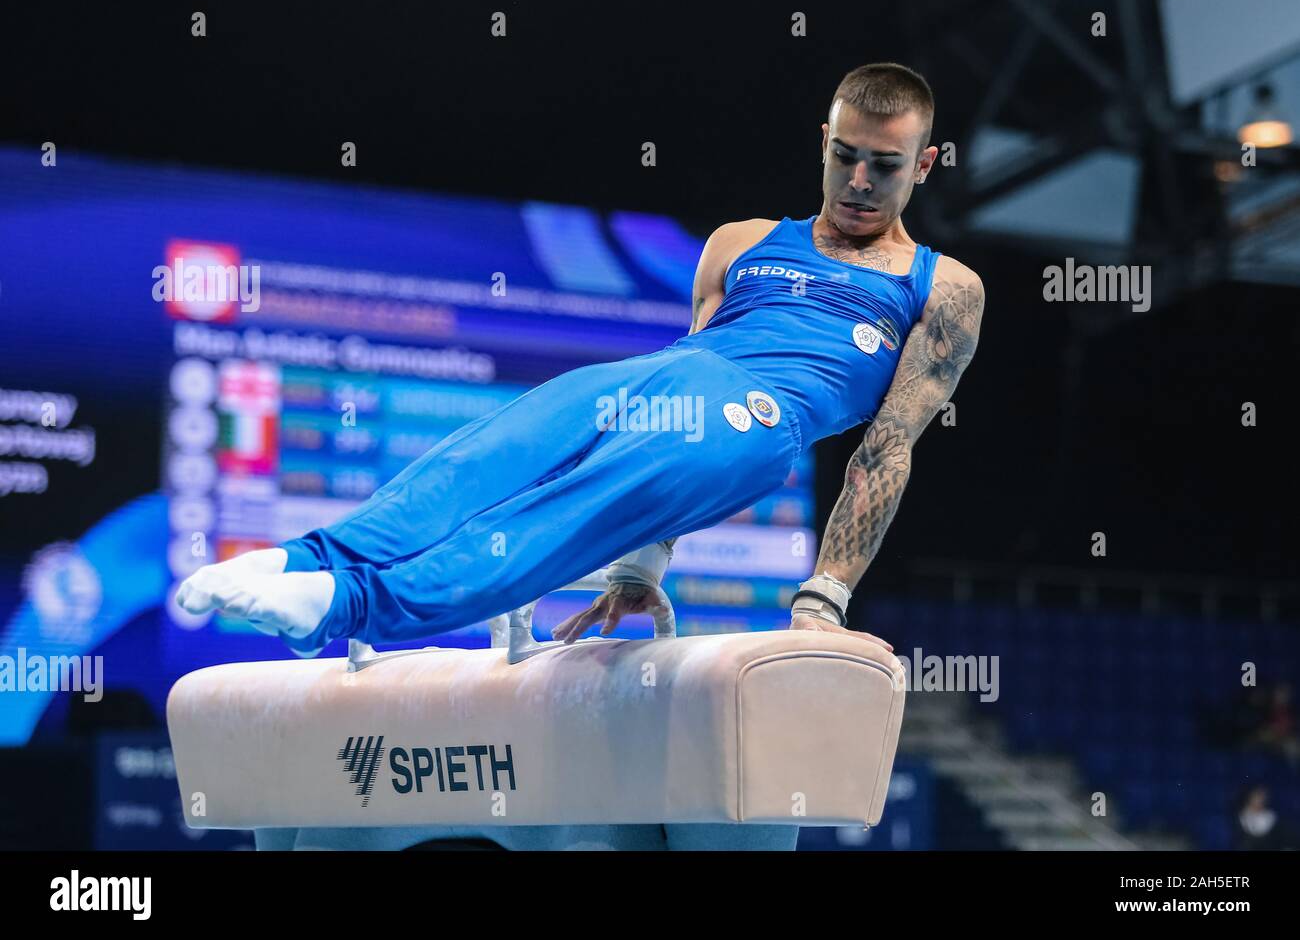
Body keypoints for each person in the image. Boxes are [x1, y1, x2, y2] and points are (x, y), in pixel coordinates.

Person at [176, 62, 985, 658]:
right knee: (479, 461)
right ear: (823, 141)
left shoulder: (941, 288)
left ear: (924, 163)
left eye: (884, 165)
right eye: (845, 155)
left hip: (757, 419)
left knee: (543, 527)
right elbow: (689, 368)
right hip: (660, 380)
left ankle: (344, 607)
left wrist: (824, 598)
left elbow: (885, 451)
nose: (858, 181)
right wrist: (642, 558)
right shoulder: (739, 243)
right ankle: (304, 558)